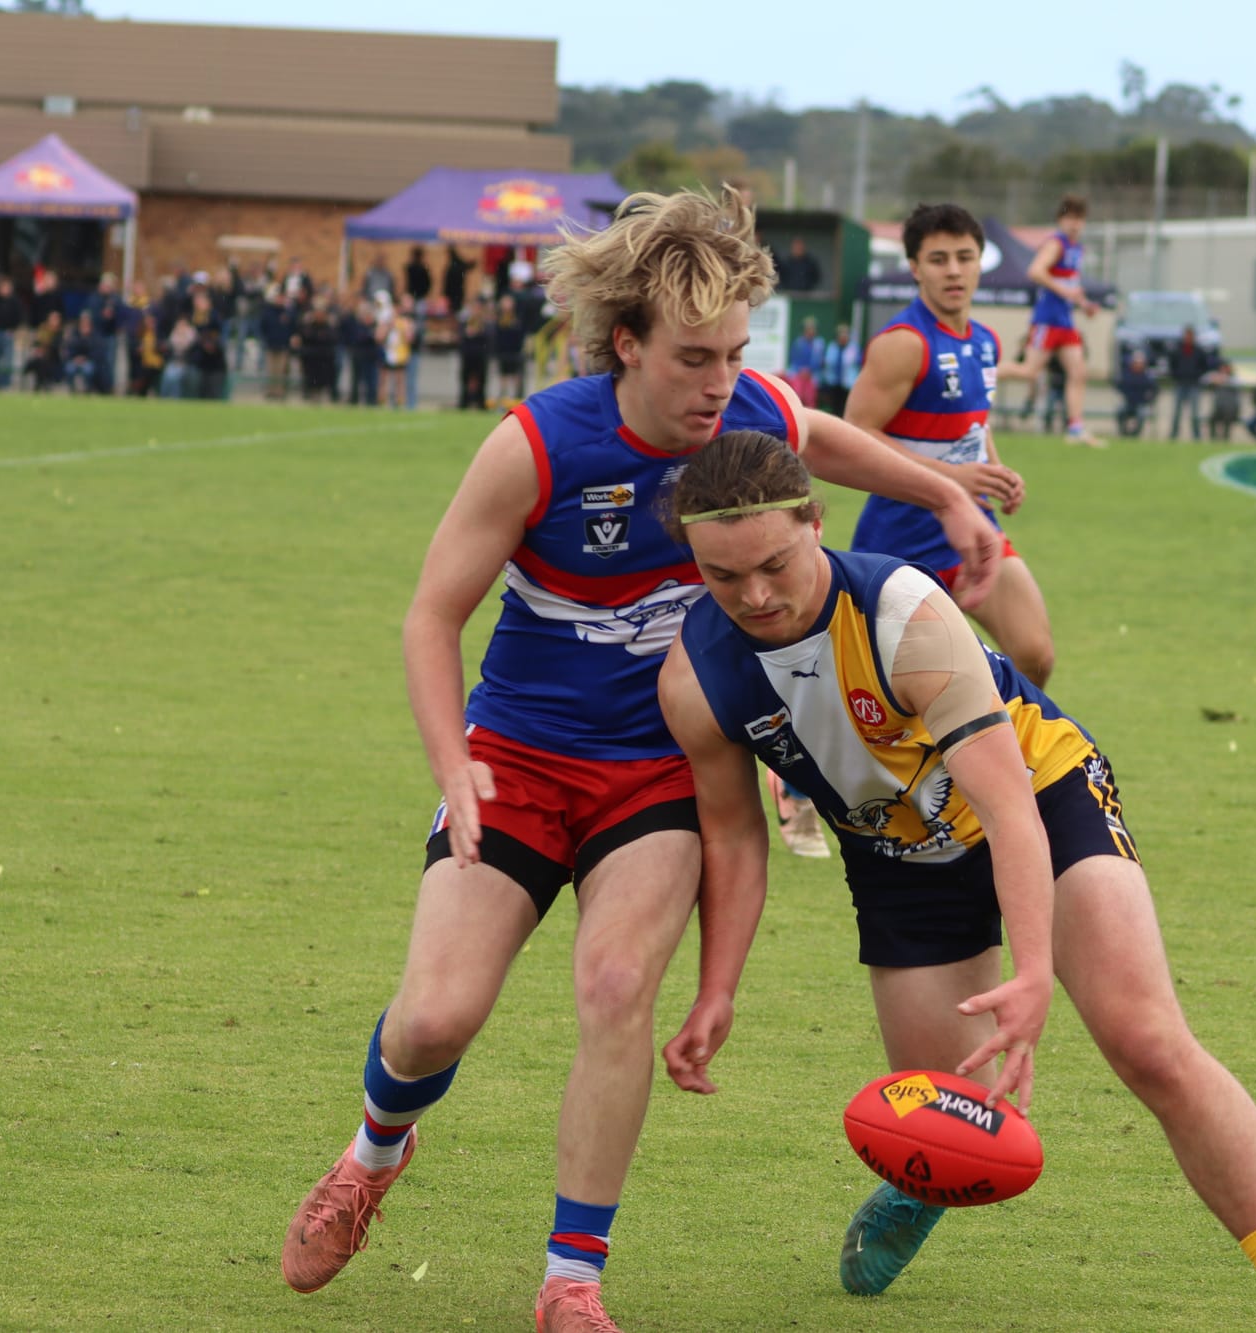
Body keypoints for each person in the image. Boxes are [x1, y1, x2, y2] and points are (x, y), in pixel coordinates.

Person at [276, 187, 1003, 1333]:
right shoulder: (537, 444)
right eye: (692, 358)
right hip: (516, 760)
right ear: (626, 343)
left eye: (734, 354)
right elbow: (430, 615)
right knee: (432, 1020)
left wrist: (944, 492)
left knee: (617, 990)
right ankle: (374, 1153)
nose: (721, 383)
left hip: (657, 775)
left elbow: (820, 438)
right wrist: (451, 762)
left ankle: (571, 1280)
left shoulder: (748, 408)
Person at [654, 430, 1256, 1333]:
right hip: (896, 854)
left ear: (815, 523)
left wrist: (1034, 973)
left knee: (1148, 1041)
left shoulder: (904, 617)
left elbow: (1008, 808)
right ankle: (925, 1184)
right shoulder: (696, 676)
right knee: (940, 1104)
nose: (755, 595)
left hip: (1041, 794)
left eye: (774, 564)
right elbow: (734, 836)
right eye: (723, 575)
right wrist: (717, 988)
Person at [847, 202, 1053, 687]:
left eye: (965, 257)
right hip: (901, 540)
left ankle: (997, 736)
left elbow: (975, 424)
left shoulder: (985, 341)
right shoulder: (904, 343)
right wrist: (954, 478)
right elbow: (856, 433)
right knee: (899, 690)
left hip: (975, 528)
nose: (954, 271)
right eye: (938, 259)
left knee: (1034, 655)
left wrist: (996, 473)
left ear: (981, 262)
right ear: (915, 268)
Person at [1019, 194, 1103, 446]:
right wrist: (1066, 292)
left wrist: (1084, 305)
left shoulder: (1077, 249)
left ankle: (1075, 429)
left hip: (1065, 321)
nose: (1075, 224)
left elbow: (1071, 284)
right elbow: (1035, 271)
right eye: (1070, 218)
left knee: (1078, 372)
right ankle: (984, 374)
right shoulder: (1056, 244)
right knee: (1029, 371)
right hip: (1047, 320)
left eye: (1079, 219)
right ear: (1060, 220)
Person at [1166, 324, 1211, 440]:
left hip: (1194, 384)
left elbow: (1205, 366)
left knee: (1195, 413)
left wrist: (1196, 375)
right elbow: (1171, 365)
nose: (1188, 338)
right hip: (1180, 383)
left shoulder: (1199, 351)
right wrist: (1176, 375)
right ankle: (1174, 434)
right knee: (1177, 412)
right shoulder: (1177, 350)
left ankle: (1196, 436)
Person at [817, 324, 858, 415]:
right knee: (835, 405)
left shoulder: (853, 348)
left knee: (846, 405)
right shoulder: (832, 347)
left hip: (848, 383)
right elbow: (828, 362)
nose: (843, 338)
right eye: (841, 336)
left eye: (845, 335)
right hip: (834, 382)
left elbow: (856, 363)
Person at [1207, 362, 1241, 440]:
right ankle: (1213, 438)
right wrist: (1214, 380)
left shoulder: (1233, 379)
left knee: (1227, 418)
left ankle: (1225, 438)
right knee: (1212, 420)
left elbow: (1236, 383)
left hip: (1230, 409)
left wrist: (1224, 380)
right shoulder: (1216, 379)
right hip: (1219, 408)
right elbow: (1205, 381)